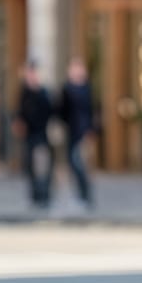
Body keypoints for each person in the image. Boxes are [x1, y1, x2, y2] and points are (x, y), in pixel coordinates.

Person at [55, 57, 97, 208]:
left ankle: (85, 195)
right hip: (70, 131)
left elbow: (91, 110)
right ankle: (79, 194)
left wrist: (91, 129)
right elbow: (61, 110)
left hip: (83, 131)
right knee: (73, 163)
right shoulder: (67, 88)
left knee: (79, 163)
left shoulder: (86, 88)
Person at [14, 61, 56, 210]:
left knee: (43, 168)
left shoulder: (43, 92)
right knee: (30, 167)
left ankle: (45, 196)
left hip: (41, 135)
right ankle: (35, 197)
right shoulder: (25, 91)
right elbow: (20, 111)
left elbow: (51, 111)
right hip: (29, 135)